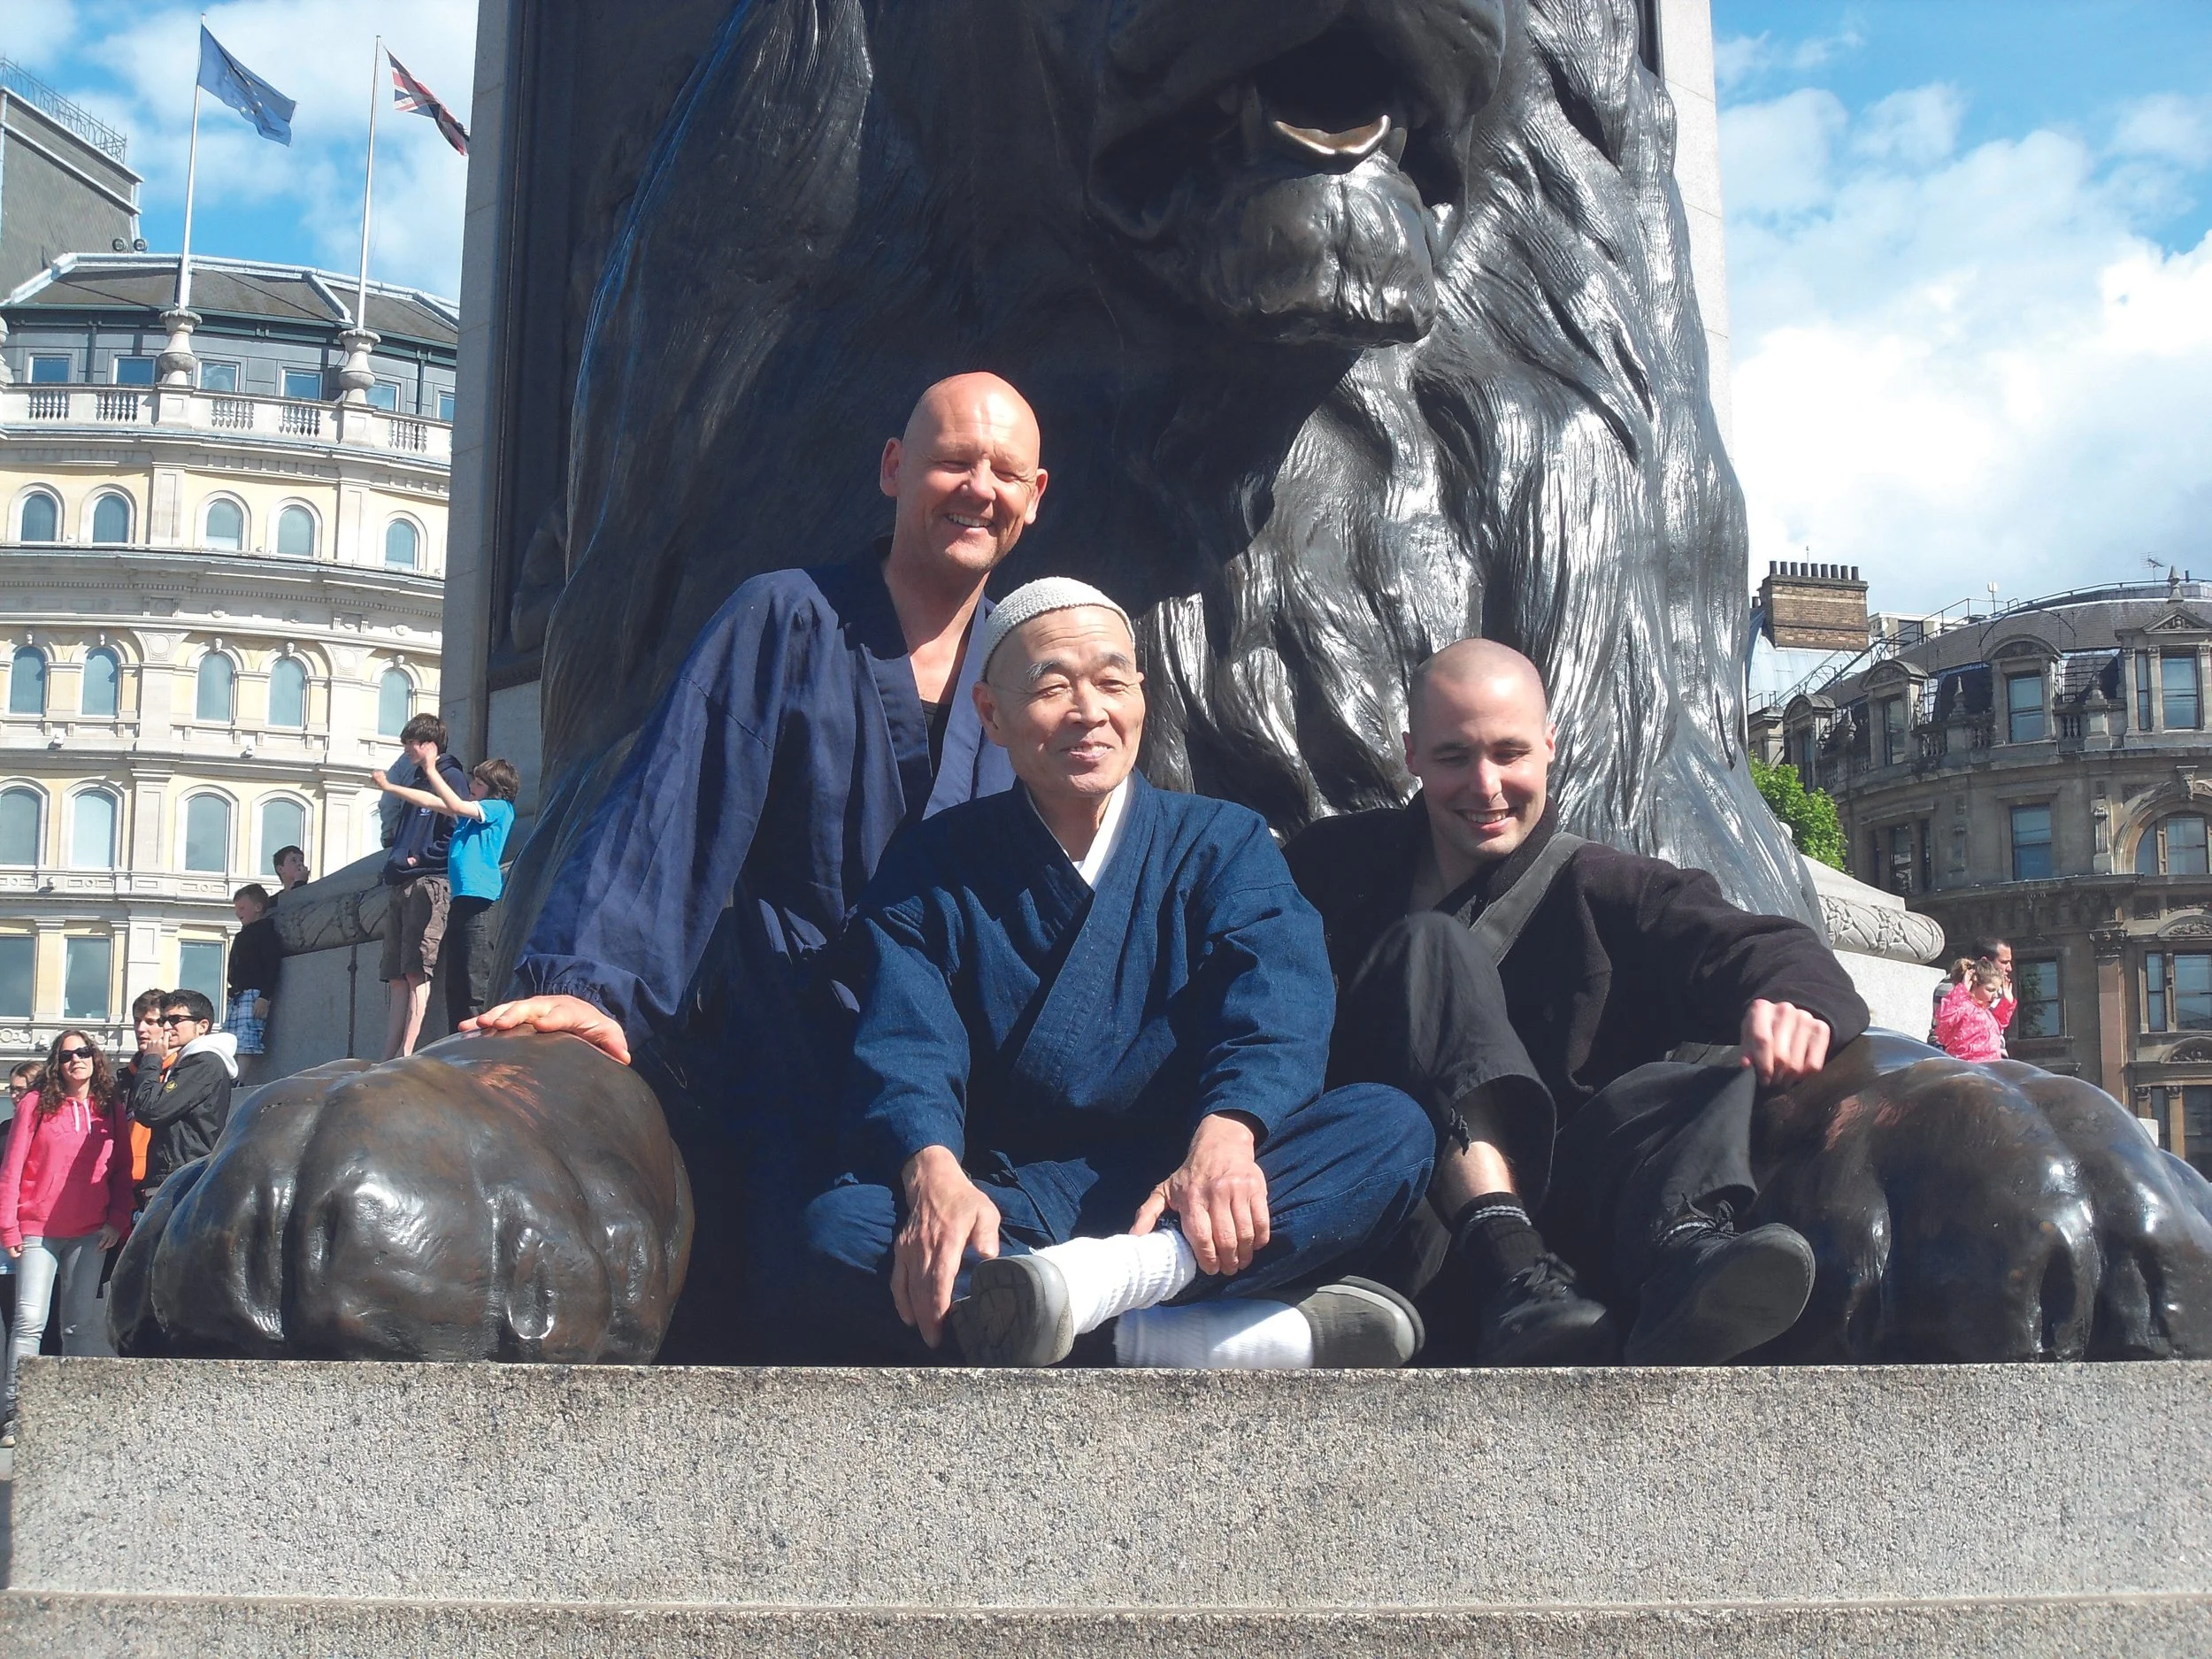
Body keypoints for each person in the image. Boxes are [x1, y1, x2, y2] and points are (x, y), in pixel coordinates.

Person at [468, 374, 1046, 1360]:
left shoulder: (1037, 666)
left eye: (1003, 471)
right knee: (801, 1294)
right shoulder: (784, 618)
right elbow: (677, 801)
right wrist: (589, 985)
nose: (976, 487)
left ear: (1034, 496)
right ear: (894, 468)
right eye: (953, 460)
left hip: (986, 1099)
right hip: (806, 1074)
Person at [803, 581, 1435, 1369]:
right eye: (1051, 684)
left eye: (1111, 680)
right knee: (841, 1230)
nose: (1088, 710)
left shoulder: (1221, 842)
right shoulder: (934, 866)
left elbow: (1276, 1004)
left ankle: (1088, 1301)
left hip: (1184, 1190)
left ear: (1142, 695)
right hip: (1014, 1205)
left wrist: (1229, 1135)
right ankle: (1175, 1333)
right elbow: (905, 1045)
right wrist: (932, 1170)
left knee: (1391, 1127)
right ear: (990, 716)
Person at [1285, 640, 1869, 1368]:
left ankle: (1681, 1256)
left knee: (1707, 1069)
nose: (1486, 784)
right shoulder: (1327, 869)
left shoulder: (1611, 886)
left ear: (1550, 746)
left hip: (1567, 1269)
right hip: (1406, 1222)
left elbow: (1777, 950)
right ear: (1409, 753)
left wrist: (1792, 1006)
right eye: (1453, 756)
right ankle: (1511, 1262)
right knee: (1431, 946)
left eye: (1509, 752)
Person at [0, 1031, 133, 1447]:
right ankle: (15, 1414)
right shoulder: (35, 1105)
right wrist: (8, 1226)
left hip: (91, 1232)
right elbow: (13, 1167)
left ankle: (76, 1411)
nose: (77, 1060)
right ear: (57, 1064)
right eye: (67, 1055)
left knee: (77, 1326)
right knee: (29, 1321)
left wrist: (117, 1221)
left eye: (84, 1052)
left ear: (96, 1058)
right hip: (37, 1230)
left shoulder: (109, 1109)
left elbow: (122, 1172)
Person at [371, 757, 519, 1033]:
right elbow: (429, 801)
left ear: (495, 788)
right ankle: (459, 1037)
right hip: (461, 899)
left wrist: (430, 769)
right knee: (456, 981)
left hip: (481, 901)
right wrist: (391, 788)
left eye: (478, 782)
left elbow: (454, 804)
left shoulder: (499, 808)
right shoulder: (469, 816)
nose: (472, 786)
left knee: (475, 977)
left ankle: (480, 1041)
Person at [376, 714, 472, 1059]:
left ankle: (407, 1050)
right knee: (397, 973)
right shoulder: (416, 778)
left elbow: (455, 824)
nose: (406, 751)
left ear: (428, 744)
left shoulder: (451, 776)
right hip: (403, 879)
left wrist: (423, 856)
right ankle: (390, 1050)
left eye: (410, 744)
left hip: (430, 880)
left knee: (418, 968)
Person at [129, 990, 236, 1203]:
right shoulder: (191, 1061)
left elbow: (150, 1108)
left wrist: (151, 1060)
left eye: (176, 1020)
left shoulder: (204, 1062)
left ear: (202, 1026)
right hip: (174, 1178)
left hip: (182, 1181)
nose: (167, 1027)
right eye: (165, 1020)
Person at [226, 884, 281, 1084]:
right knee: (231, 1037)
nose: (237, 913)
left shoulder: (265, 933)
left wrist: (265, 996)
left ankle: (240, 1078)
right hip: (239, 994)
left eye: (241, 908)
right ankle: (232, 1076)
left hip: (254, 993)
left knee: (246, 1037)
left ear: (257, 907)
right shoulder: (243, 935)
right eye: (236, 909)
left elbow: (272, 965)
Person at [1931, 936, 2013, 1052]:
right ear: (1985, 961)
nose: (2009, 968)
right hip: (1958, 1057)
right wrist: (1961, 993)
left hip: (1992, 1055)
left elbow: (1995, 1025)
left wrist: (2006, 1004)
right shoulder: (1951, 986)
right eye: (2004, 962)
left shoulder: (1997, 988)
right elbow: (1947, 1024)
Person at [1933, 958, 2008, 1064]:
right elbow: (1944, 1019)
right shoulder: (1963, 1006)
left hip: (1991, 1065)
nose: (1995, 996)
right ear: (1974, 984)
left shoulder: (1985, 1012)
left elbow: (1998, 1026)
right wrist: (1961, 991)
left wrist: (2006, 1003)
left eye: (1996, 991)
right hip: (1967, 1066)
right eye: (1990, 990)